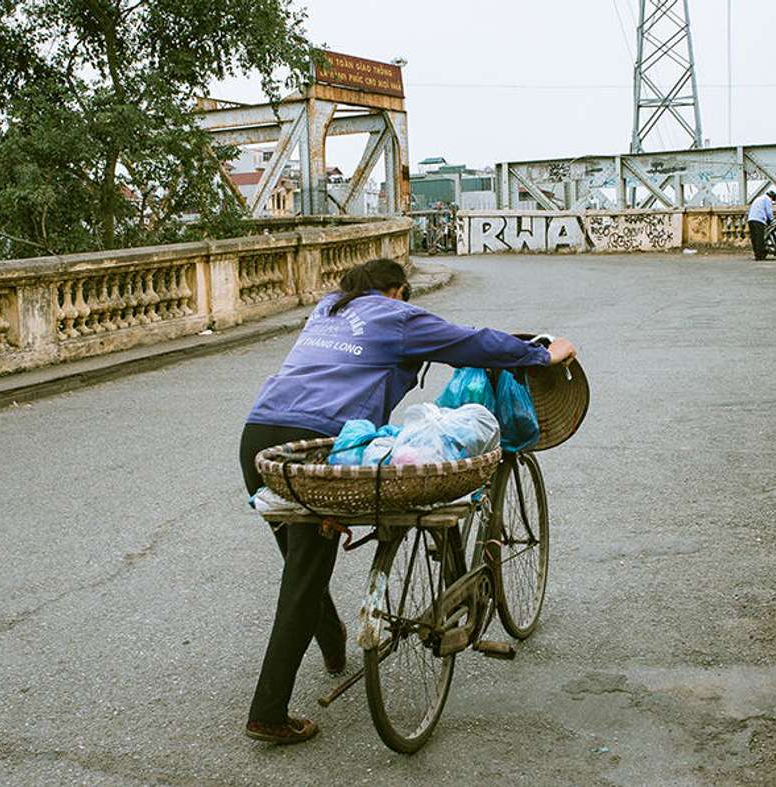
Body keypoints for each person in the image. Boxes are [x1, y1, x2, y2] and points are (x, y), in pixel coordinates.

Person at [237, 257, 576, 745]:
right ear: (396, 291)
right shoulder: (395, 317)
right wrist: (542, 355)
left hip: (259, 439)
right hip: (318, 444)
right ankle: (267, 711)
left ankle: (332, 646)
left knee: (302, 558)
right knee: (304, 570)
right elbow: (471, 341)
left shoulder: (328, 308)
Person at [747, 189, 776, 260]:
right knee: (760, 238)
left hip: (751, 219)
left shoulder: (758, 198)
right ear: (772, 197)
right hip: (759, 220)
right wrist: (772, 219)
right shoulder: (767, 199)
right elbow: (769, 211)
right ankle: (760, 255)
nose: (772, 202)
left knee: (754, 238)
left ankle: (756, 254)